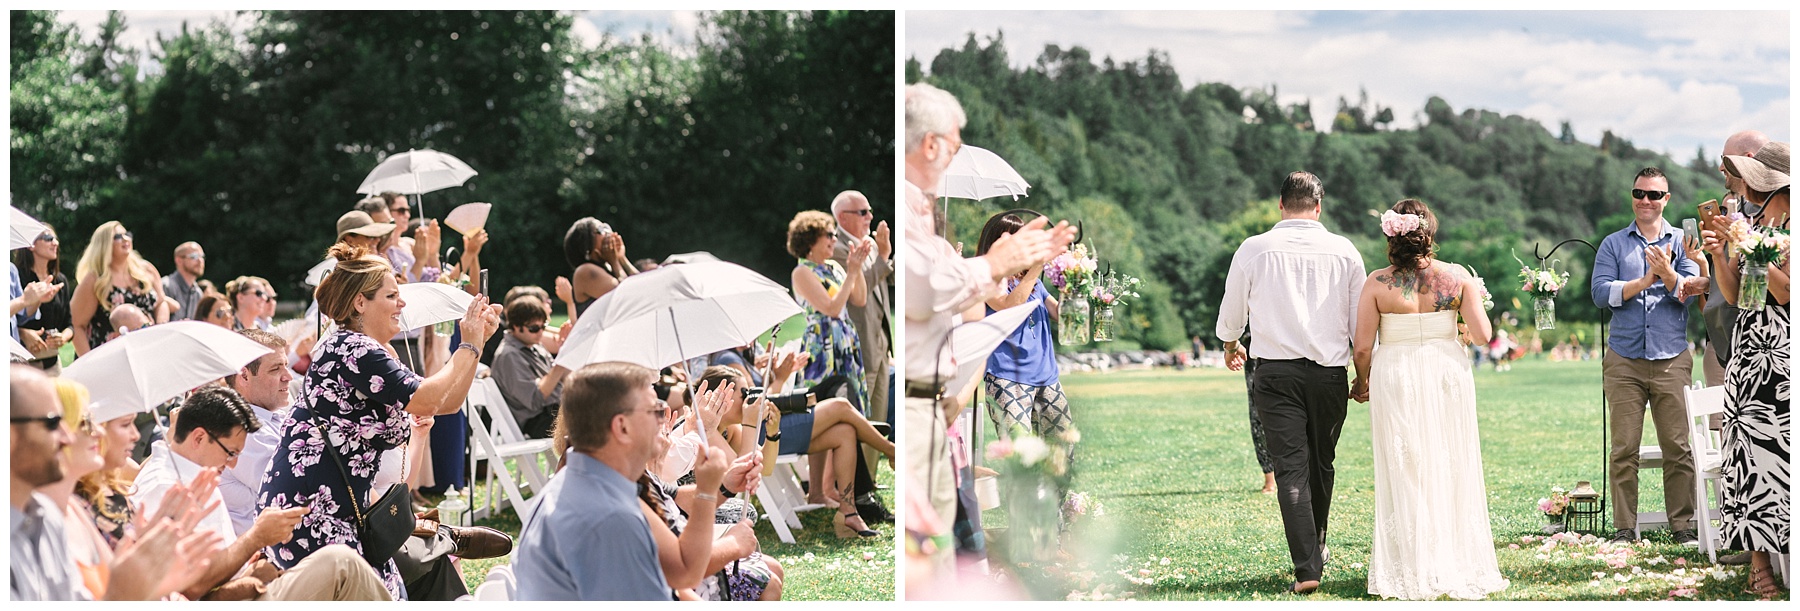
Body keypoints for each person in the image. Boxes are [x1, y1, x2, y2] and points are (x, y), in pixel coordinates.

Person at [902, 82, 1073, 586]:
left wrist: (1077, 288)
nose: (955, 154)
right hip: (993, 380)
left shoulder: (925, 218)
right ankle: (1030, 545)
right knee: (1013, 465)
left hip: (1008, 382)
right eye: (954, 144)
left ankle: (1047, 534)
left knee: (1059, 449)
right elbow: (983, 303)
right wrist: (1013, 265)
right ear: (931, 144)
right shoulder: (991, 269)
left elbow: (1055, 314)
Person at [257, 243, 498, 600]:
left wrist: (477, 344)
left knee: (394, 590)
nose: (402, 303)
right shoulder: (350, 349)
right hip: (311, 511)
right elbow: (430, 397)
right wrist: (469, 345)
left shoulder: (361, 348)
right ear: (360, 303)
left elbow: (446, 404)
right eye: (392, 295)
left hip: (345, 510)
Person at [221, 328, 506, 600]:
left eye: (286, 365)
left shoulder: (283, 416)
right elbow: (301, 490)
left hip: (333, 528)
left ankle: (439, 541)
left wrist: (413, 437)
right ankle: (441, 536)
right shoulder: (237, 430)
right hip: (283, 551)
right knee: (419, 555)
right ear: (243, 375)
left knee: (430, 561)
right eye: (275, 369)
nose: (288, 376)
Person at [1215, 171, 1365, 595]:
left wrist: (1230, 343)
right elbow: (1359, 323)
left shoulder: (1254, 248)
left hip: (1276, 374)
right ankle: (1313, 551)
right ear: (1319, 207)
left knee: (1291, 471)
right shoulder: (1345, 250)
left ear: (1280, 205)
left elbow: (1232, 310)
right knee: (1322, 464)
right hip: (1329, 375)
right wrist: (1363, 371)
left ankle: (1308, 565)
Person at [1352, 199, 1508, 599]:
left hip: (1397, 374)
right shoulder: (1456, 278)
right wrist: (1459, 321)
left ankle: (1413, 564)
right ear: (1430, 233)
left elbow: (1363, 349)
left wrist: (1361, 382)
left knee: (1405, 465)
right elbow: (1485, 334)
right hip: (1446, 371)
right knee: (1451, 460)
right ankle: (1453, 560)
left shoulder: (1377, 283)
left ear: (1391, 235)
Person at [134, 385, 392, 600]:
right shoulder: (165, 487)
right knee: (340, 563)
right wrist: (256, 537)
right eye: (231, 452)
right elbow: (190, 587)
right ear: (199, 438)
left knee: (339, 560)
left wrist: (254, 556)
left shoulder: (189, 472)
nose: (233, 463)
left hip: (245, 586)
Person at [11, 365, 208, 601]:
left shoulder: (47, 516)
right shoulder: (50, 515)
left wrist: (149, 567)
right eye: (53, 423)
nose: (67, 436)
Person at [516, 362, 709, 600]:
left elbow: (679, 576)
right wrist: (708, 491)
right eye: (655, 409)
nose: (664, 418)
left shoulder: (580, 481)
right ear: (622, 426)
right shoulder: (609, 516)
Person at [1590, 167, 1701, 546]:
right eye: (1639, 193)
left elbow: (1690, 289)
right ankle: (1625, 529)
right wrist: (1641, 283)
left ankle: (1683, 526)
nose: (1646, 201)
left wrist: (1667, 274)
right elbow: (1600, 293)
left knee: (1678, 447)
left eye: (1654, 194)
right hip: (1623, 359)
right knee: (1624, 449)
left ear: (1666, 199)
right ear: (1632, 196)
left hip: (1672, 357)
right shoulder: (1613, 244)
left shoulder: (1685, 241)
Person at [1705, 140, 1790, 598]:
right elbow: (1736, 295)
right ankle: (1759, 567)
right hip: (1748, 354)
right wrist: (1721, 253)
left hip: (1785, 354)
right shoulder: (1752, 222)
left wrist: (1757, 248)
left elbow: (1786, 293)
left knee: (1784, 457)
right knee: (1747, 458)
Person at [975, 211, 1077, 491]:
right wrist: (1037, 268)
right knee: (1023, 462)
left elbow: (1059, 313)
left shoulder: (1035, 282)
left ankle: (1055, 526)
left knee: (1062, 455)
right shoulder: (987, 278)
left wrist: (1074, 288)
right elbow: (1009, 306)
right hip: (1007, 380)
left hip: (1048, 378)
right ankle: (1026, 531)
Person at [790, 210, 871, 411]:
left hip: (844, 342)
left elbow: (859, 299)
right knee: (824, 403)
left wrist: (857, 268)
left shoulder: (833, 267)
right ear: (810, 239)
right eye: (829, 235)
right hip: (821, 344)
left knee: (850, 398)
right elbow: (831, 309)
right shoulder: (802, 272)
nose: (834, 239)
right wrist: (851, 273)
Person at [830, 189, 894, 429]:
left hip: (881, 344)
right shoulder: (837, 249)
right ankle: (859, 467)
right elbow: (859, 292)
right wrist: (883, 255)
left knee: (878, 418)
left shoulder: (871, 245)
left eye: (870, 211)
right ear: (843, 217)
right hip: (860, 345)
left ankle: (871, 465)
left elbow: (890, 277)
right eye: (863, 212)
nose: (870, 216)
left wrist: (889, 254)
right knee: (862, 418)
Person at [70, 221, 168, 356]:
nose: (125, 239)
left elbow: (161, 302)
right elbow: (76, 324)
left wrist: (162, 325)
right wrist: (88, 362)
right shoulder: (95, 280)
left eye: (127, 234)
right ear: (104, 244)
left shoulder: (146, 270)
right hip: (109, 356)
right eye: (117, 237)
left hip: (147, 350)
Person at [491, 296, 565, 439]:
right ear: (515, 327)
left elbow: (563, 378)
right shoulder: (509, 355)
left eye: (543, 327)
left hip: (553, 412)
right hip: (536, 421)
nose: (540, 333)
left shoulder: (534, 346)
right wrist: (562, 360)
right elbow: (536, 399)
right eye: (534, 328)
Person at [14, 223, 74, 373]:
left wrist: (63, 337)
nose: (55, 243)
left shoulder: (60, 280)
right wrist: (23, 333)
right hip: (22, 365)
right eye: (48, 238)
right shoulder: (17, 277)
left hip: (53, 364)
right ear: (31, 245)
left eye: (55, 238)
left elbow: (70, 324)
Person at [563, 217, 639, 316]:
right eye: (600, 230)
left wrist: (622, 258)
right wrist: (615, 262)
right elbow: (628, 297)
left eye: (606, 227)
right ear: (587, 246)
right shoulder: (585, 271)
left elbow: (643, 288)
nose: (608, 234)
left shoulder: (608, 267)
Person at [161, 242, 206, 321]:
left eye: (202, 256)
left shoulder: (198, 294)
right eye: (194, 256)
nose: (200, 261)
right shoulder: (166, 286)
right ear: (179, 260)